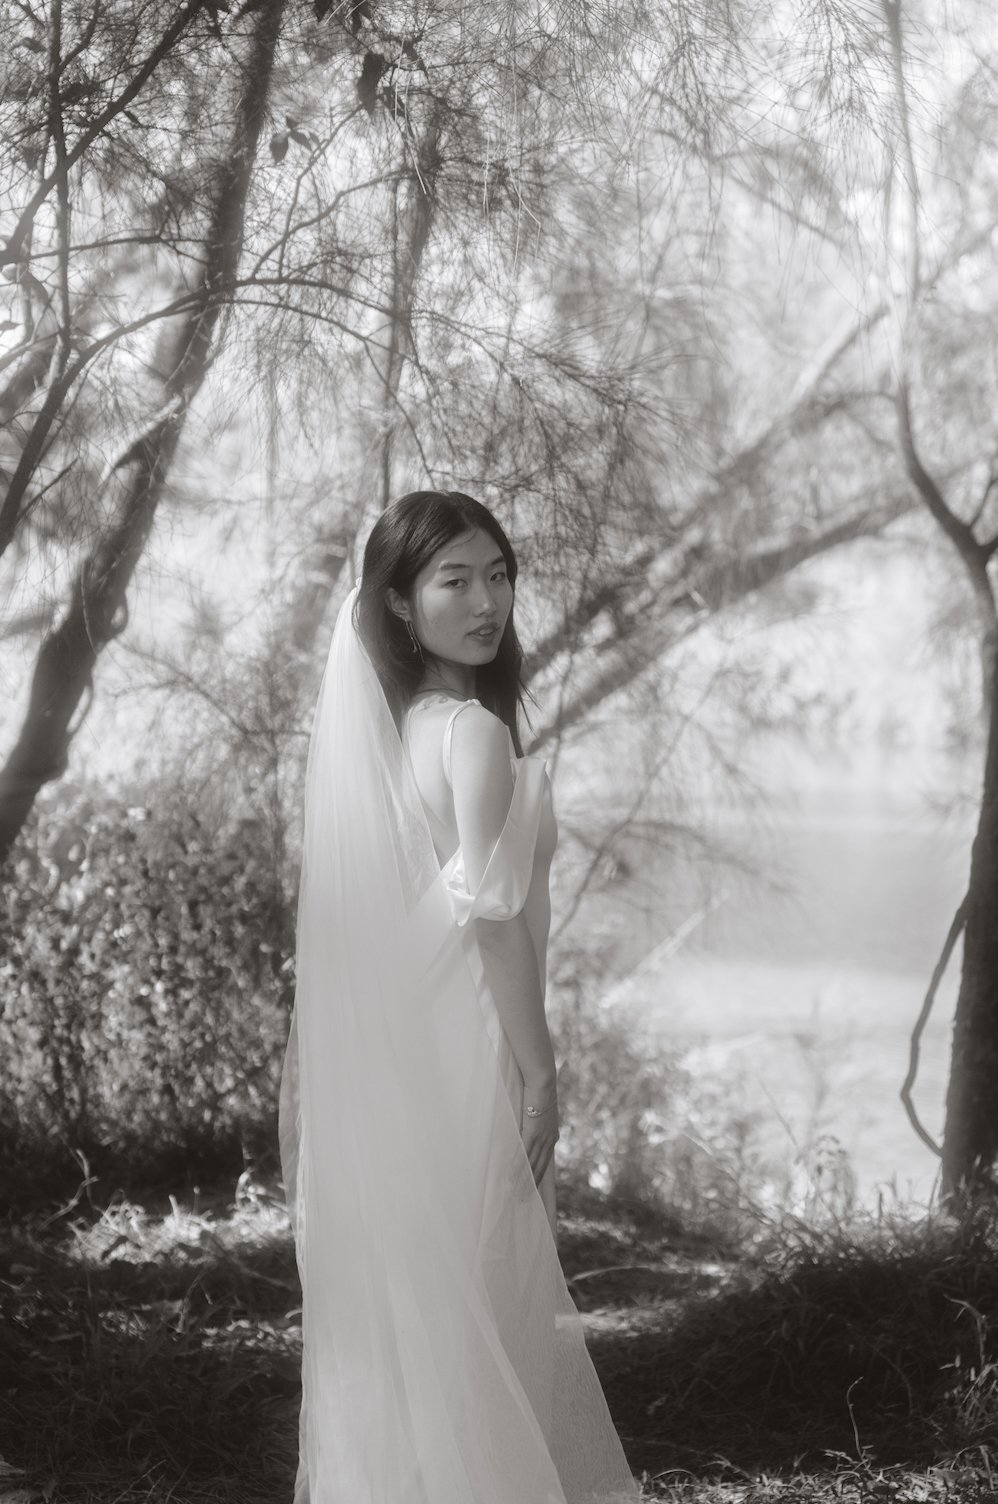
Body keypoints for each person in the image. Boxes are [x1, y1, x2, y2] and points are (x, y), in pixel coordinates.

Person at [280, 491, 641, 1504]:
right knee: (482, 1317)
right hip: (466, 1062)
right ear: (398, 603)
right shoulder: (471, 733)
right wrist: (539, 1071)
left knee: (412, 1332)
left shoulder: (386, 741)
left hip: (396, 1077)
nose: (488, 599)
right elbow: (489, 922)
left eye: (499, 573)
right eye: (454, 579)